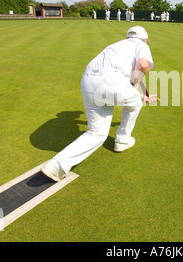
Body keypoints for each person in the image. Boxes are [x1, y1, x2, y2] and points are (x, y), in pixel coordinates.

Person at [41, 26, 159, 182]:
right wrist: (137, 90)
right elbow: (142, 66)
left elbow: (130, 78)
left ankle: (57, 165)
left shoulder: (116, 46)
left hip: (88, 80)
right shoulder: (141, 45)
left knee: (96, 133)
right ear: (143, 40)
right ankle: (122, 140)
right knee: (135, 104)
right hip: (112, 81)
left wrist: (143, 95)